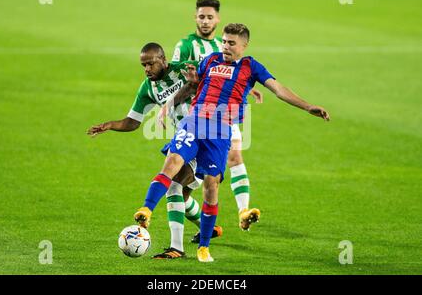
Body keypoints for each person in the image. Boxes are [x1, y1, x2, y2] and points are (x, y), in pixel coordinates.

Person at [134, 23, 330, 262]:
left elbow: (278, 89)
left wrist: (308, 106)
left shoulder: (251, 67)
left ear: (244, 45)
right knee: (172, 162)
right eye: (224, 41)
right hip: (195, 121)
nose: (225, 46)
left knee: (210, 186)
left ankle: (204, 247)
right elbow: (192, 87)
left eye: (231, 43)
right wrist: (169, 104)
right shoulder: (210, 60)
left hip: (220, 131)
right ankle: (146, 210)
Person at [87, 42, 219, 259]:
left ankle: (177, 248)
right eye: (143, 65)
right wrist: (109, 125)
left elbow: (217, 77)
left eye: (150, 64)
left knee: (174, 185)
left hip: (206, 135)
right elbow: (133, 121)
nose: (147, 69)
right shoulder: (147, 88)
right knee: (181, 194)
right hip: (185, 139)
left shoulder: (184, 68)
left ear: (163, 60)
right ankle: (209, 228)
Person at [171, 0, 263, 240]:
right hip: (194, 117)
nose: (205, 21)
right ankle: (207, 226)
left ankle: (243, 210)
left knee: (234, 155)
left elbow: (230, 75)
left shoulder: (220, 48)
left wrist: (247, 88)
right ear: (195, 17)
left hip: (222, 117)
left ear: (217, 19)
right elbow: (182, 77)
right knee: (184, 187)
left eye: (210, 17)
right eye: (201, 16)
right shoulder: (187, 45)